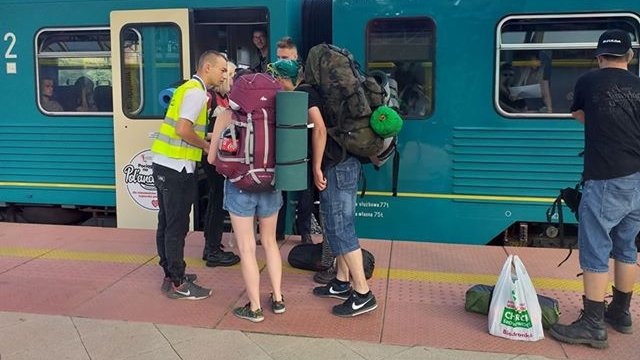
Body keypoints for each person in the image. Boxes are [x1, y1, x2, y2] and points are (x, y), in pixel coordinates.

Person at [549, 29, 640, 349]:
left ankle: (592, 324)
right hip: (638, 179)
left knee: (596, 247)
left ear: (600, 57)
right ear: (630, 57)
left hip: (606, 177)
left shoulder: (589, 81)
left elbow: (579, 115)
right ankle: (621, 313)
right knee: (627, 246)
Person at [298, 63, 378, 317]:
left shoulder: (309, 91)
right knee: (334, 226)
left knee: (341, 228)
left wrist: (317, 167)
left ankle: (363, 294)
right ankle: (342, 281)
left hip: (337, 165)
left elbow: (319, 129)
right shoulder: (332, 91)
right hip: (346, 164)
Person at [207, 70, 284, 323]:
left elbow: (211, 159)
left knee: (247, 248)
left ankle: (254, 308)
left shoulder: (227, 115)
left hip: (240, 184)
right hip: (271, 184)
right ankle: (278, 298)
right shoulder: (276, 116)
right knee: (270, 243)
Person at [151, 50, 228, 300]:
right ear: (207, 67)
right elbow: (184, 130)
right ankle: (178, 282)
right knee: (177, 225)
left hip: (164, 163)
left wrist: (207, 137)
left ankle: (169, 272)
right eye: (222, 69)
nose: (224, 74)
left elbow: (183, 128)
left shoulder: (186, 89)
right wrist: (207, 146)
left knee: (166, 222)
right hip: (177, 168)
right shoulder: (197, 94)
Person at [274, 36, 314, 243]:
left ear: (296, 57)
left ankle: (304, 232)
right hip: (281, 138)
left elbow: (307, 102)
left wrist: (287, 87)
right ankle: (277, 231)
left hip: (304, 138)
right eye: (279, 57)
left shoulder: (307, 77)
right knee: (279, 186)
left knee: (305, 189)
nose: (282, 61)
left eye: (286, 57)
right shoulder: (271, 75)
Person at [201, 61, 240, 268]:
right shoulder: (209, 98)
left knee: (216, 198)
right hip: (212, 155)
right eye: (228, 73)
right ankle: (212, 249)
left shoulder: (225, 99)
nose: (230, 78)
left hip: (219, 154)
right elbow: (196, 129)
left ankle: (212, 245)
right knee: (217, 199)